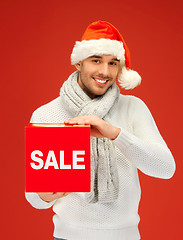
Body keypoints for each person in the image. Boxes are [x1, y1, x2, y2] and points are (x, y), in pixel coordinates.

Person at [25, 20, 176, 240]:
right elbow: (34, 198)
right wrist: (43, 196)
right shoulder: (46, 114)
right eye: (96, 60)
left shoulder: (133, 108)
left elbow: (165, 168)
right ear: (78, 63)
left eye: (113, 63)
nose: (105, 72)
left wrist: (114, 133)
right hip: (68, 237)